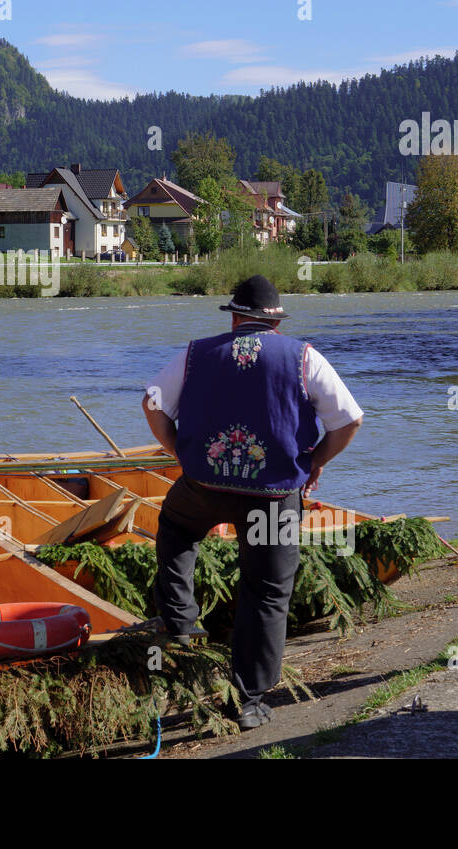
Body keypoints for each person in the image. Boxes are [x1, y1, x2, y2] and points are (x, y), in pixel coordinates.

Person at [141, 275, 363, 729]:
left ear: (236, 316)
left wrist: (179, 451)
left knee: (178, 528)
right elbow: (349, 420)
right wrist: (315, 461)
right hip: (273, 496)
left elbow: (152, 403)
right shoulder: (304, 357)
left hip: (205, 488)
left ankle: (181, 621)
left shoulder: (196, 353)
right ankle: (251, 701)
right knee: (265, 592)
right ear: (275, 321)